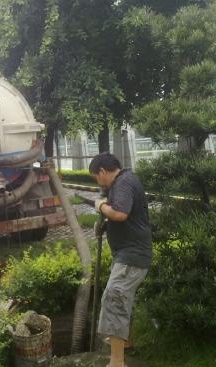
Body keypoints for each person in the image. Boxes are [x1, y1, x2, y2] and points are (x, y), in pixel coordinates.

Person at [89, 152, 152, 367]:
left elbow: (121, 214)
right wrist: (104, 224)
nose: (98, 182)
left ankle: (117, 363)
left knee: (114, 299)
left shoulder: (123, 182)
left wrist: (100, 207)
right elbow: (124, 217)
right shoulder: (122, 182)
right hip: (130, 255)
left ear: (103, 172)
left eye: (96, 178)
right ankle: (125, 343)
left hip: (132, 257)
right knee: (122, 299)